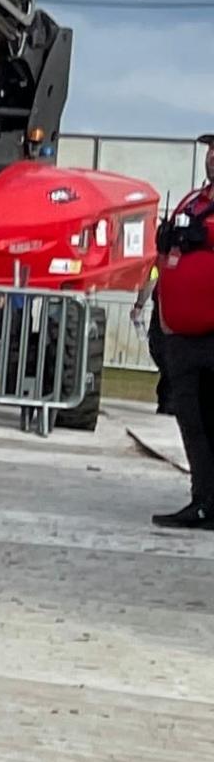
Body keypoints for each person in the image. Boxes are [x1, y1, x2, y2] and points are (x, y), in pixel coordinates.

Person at [144, 133, 214, 530]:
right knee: (192, 422)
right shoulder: (192, 200)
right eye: (210, 150)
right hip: (182, 336)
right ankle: (202, 499)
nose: (213, 158)